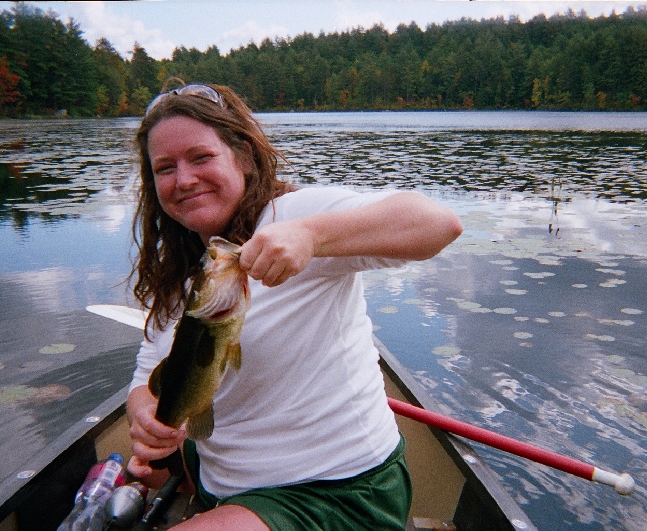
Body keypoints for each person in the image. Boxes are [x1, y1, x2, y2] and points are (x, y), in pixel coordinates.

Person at [127, 83, 463, 530]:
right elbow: (147, 373)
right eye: (164, 168)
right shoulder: (180, 273)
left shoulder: (296, 215)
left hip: (335, 490)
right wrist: (143, 416)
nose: (183, 179)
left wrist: (312, 235)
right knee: (145, 469)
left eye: (201, 157)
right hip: (224, 480)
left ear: (243, 157)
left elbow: (439, 224)